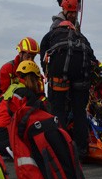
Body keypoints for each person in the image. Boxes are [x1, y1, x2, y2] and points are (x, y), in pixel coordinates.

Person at [40, 12, 96, 159]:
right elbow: (93, 59)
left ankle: (61, 149)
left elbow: (43, 55)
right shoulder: (82, 38)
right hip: (81, 79)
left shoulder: (51, 35)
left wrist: (48, 73)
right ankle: (82, 150)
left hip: (59, 77)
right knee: (79, 113)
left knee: (58, 111)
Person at [0, 37, 41, 156]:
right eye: (28, 56)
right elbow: (2, 91)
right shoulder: (7, 68)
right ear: (20, 53)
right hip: (6, 102)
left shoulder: (34, 70)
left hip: (15, 103)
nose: (31, 60)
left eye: (33, 57)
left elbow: (40, 92)